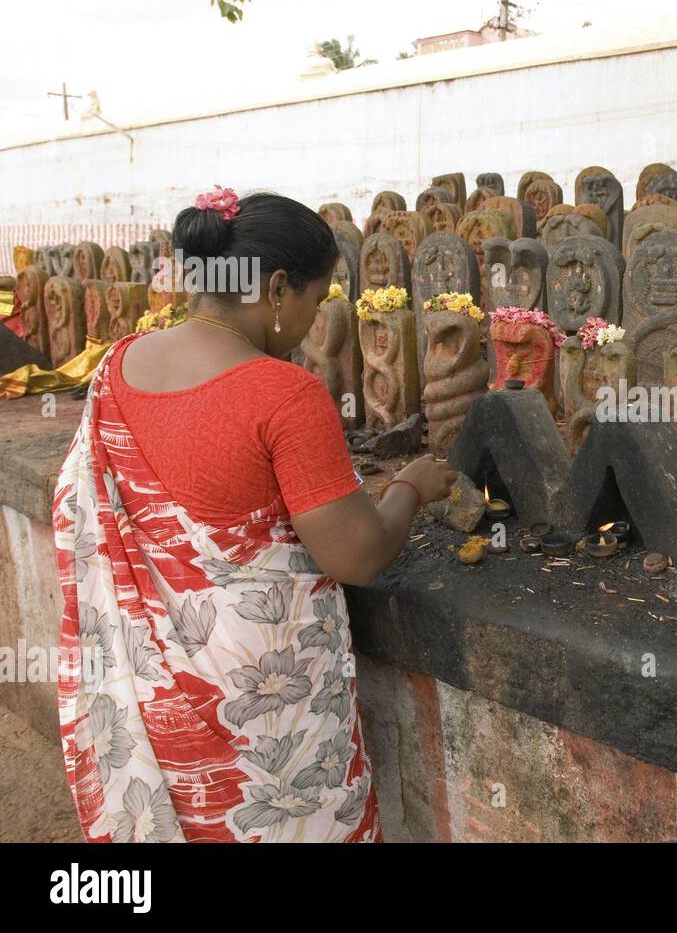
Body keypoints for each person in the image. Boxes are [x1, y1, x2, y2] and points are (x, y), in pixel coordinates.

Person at [51, 188, 456, 842]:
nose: (313, 319)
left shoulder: (116, 367)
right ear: (275, 288)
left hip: (156, 705)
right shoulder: (282, 393)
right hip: (261, 711)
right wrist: (410, 485)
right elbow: (355, 553)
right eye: (317, 300)